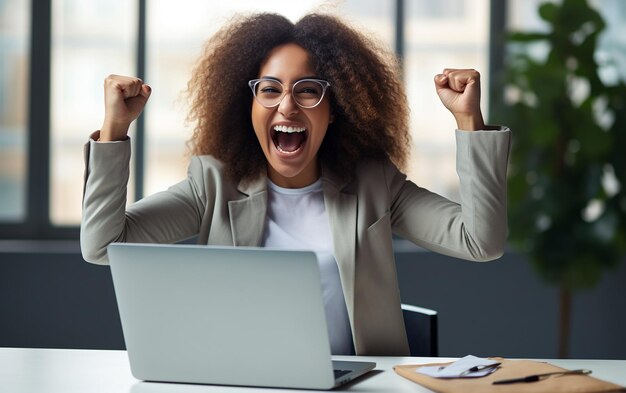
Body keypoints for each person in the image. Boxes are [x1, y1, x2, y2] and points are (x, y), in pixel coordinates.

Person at [81, 12, 511, 356]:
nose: (287, 105)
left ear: (335, 108)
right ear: (247, 106)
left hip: (359, 389)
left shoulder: (373, 184)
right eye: (269, 90)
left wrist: (468, 122)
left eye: (308, 91)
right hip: (245, 386)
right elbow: (102, 245)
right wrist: (115, 129)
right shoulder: (212, 183)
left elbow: (480, 241)